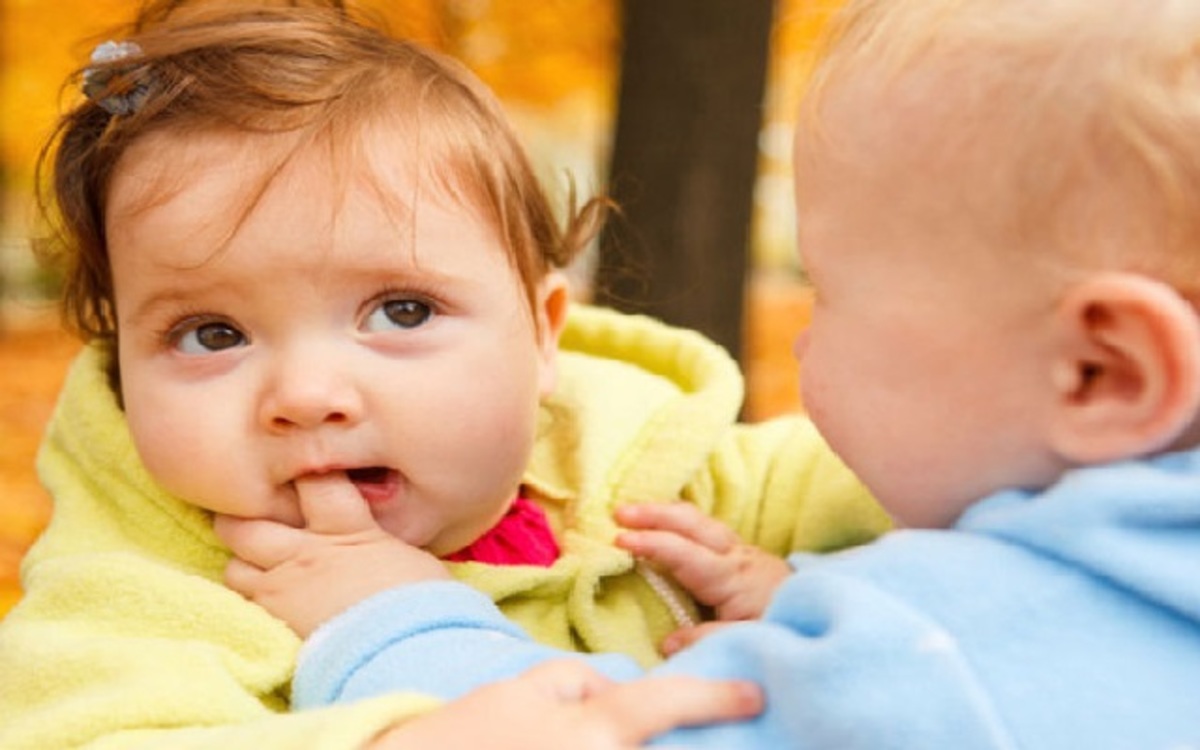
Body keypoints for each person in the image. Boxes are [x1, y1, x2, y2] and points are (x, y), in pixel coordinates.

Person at [234, 0, 1200, 746]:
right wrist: (810, 618)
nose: (805, 342)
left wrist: (387, 621)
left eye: (831, 290)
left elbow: (588, 735)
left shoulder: (939, 659)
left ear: (1099, 373)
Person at [0, 1, 887, 748]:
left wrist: (811, 598)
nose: (307, 395)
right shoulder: (144, 595)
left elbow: (940, 478)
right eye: (211, 333)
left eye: (403, 311)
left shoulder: (655, 483)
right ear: (123, 371)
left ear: (541, 339)